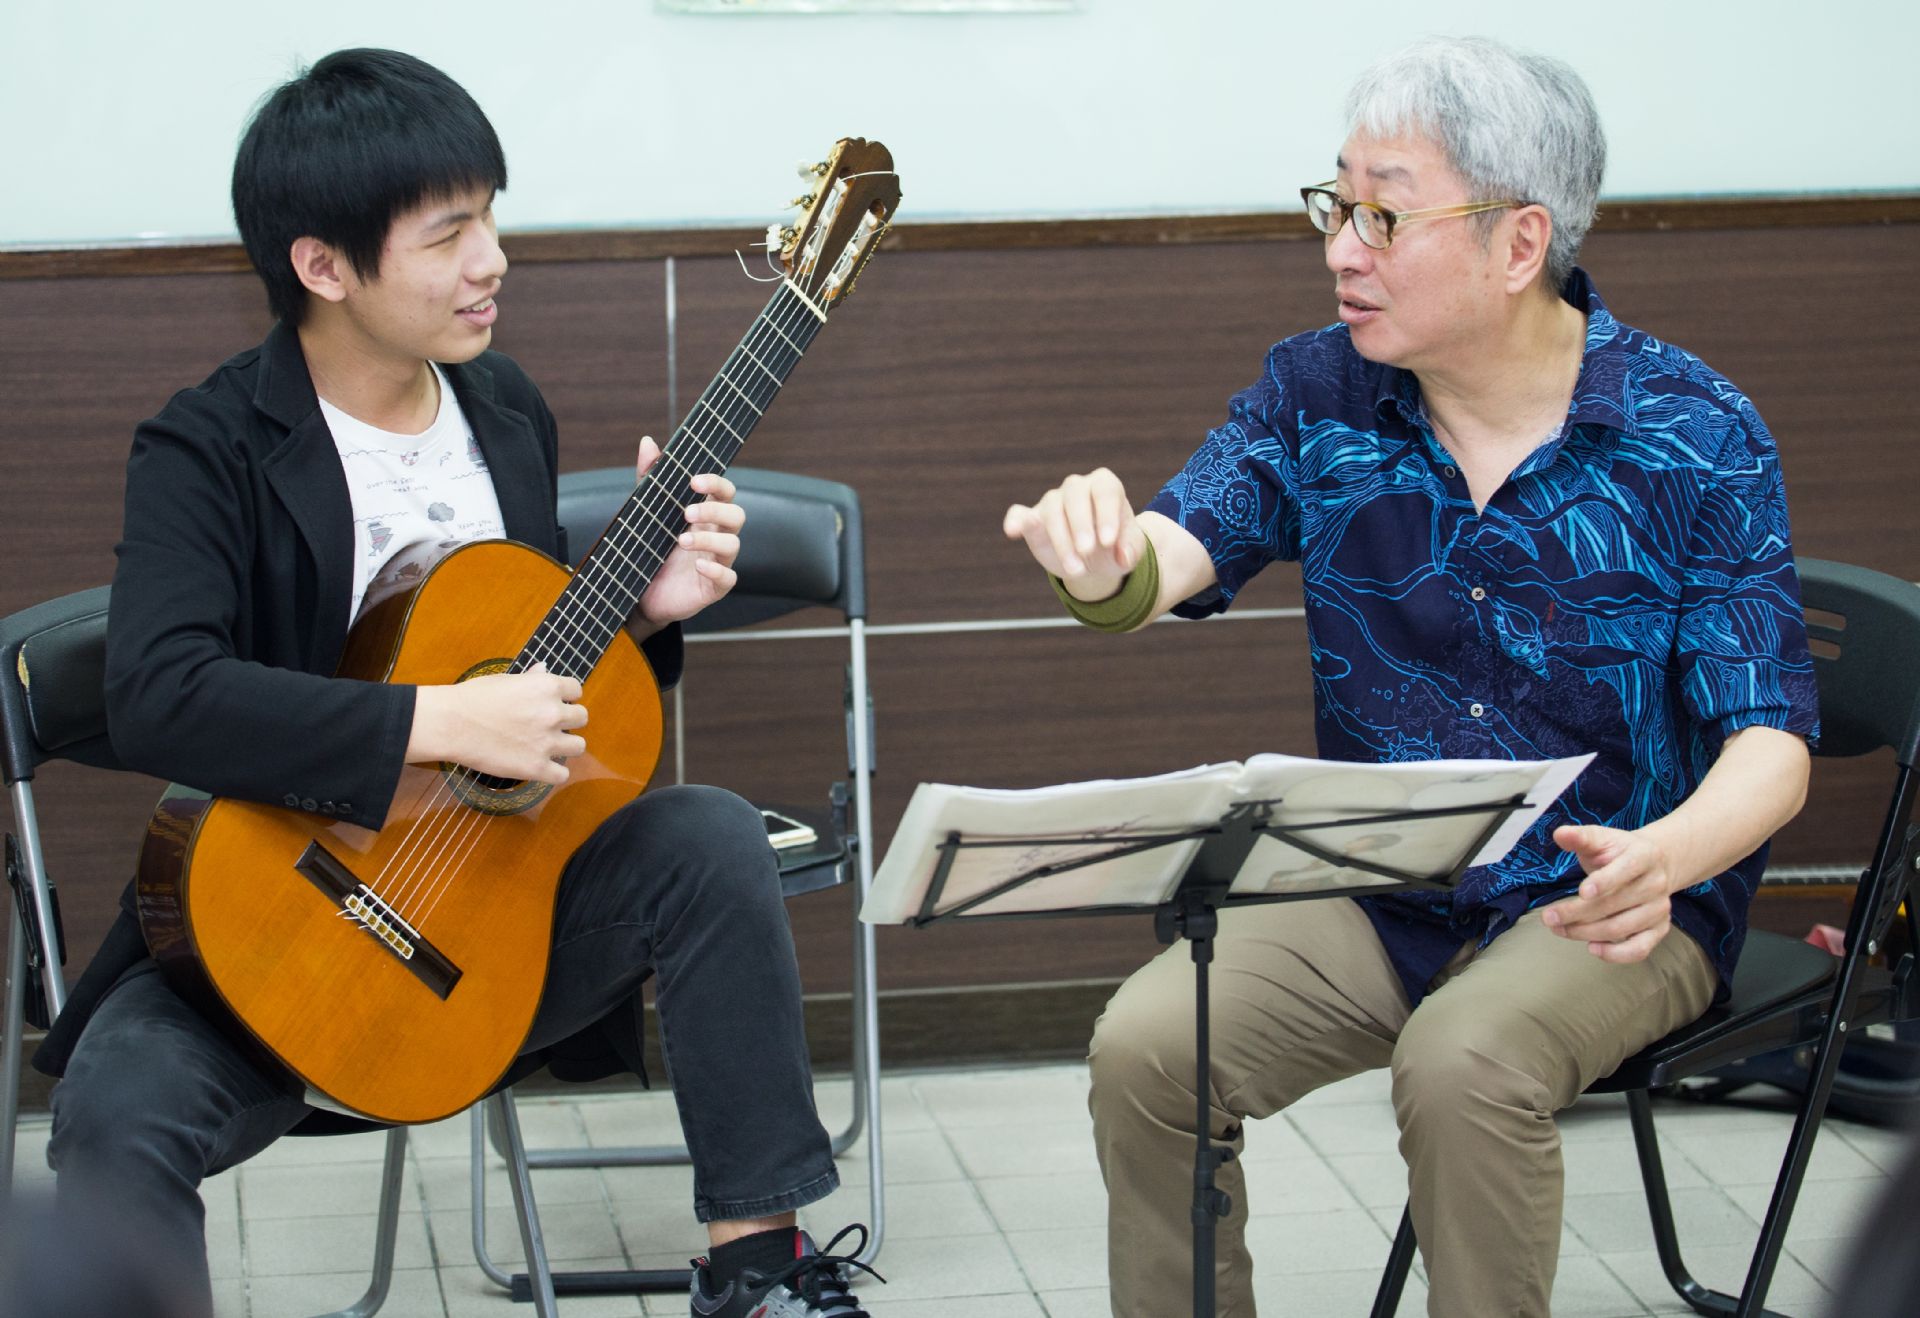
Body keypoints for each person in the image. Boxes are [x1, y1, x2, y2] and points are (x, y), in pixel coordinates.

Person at [32, 48, 874, 1318]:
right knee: (114, 1119)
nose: (493, 259)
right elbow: (160, 694)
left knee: (708, 836)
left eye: (491, 216)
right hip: (270, 931)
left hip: (483, 931)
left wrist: (641, 616)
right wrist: (436, 719)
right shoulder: (209, 445)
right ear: (324, 266)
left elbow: (526, 689)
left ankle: (762, 1274)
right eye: (448, 233)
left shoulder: (506, 413)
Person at [1005, 36, 1818, 1318]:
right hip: (1385, 888)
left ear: (1518, 242)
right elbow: (1170, 554)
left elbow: (1771, 741)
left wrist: (1667, 856)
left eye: (1384, 214)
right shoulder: (1320, 393)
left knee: (1462, 1059)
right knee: (1150, 1047)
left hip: (1615, 900)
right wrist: (1101, 563)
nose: (1342, 248)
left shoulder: (1692, 433)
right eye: (1335, 206)